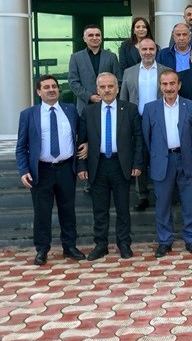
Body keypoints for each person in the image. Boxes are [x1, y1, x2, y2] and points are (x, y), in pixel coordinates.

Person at [16, 75, 87, 265]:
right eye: (46, 87)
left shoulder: (70, 110)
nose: (51, 89)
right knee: (42, 212)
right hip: (41, 171)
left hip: (66, 169)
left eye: (54, 86)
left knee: (68, 210)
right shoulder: (28, 114)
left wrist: (86, 144)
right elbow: (21, 146)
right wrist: (23, 170)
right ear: (39, 92)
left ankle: (69, 246)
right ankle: (42, 249)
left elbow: (81, 135)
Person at [78, 72, 143, 260]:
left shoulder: (129, 109)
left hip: (121, 165)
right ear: (97, 90)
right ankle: (101, 245)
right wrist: (81, 166)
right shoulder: (89, 112)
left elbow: (138, 139)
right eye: (103, 87)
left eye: (110, 86)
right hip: (97, 165)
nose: (107, 90)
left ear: (117, 89)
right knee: (100, 209)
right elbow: (81, 141)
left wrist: (137, 163)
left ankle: (124, 243)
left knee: (123, 209)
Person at [142, 70, 192, 257]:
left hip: (186, 159)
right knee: (163, 204)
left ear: (179, 85)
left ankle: (191, 239)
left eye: (172, 83)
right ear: (160, 86)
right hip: (162, 161)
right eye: (165, 84)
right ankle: (165, 241)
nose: (169, 88)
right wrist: (156, 155)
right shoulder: (150, 108)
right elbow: (146, 138)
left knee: (189, 203)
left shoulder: (191, 106)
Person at [119, 38, 165, 211]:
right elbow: (123, 98)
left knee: (160, 156)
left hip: (160, 119)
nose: (147, 52)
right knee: (140, 156)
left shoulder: (166, 71)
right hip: (137, 119)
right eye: (144, 49)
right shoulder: (129, 72)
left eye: (151, 49)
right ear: (139, 51)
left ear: (156, 50)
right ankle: (142, 195)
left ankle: (161, 193)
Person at [68, 25, 122, 115]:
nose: (94, 38)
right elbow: (73, 82)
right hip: (85, 105)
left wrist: (108, 95)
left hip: (109, 105)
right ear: (84, 39)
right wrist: (89, 96)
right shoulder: (76, 57)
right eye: (90, 35)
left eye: (97, 35)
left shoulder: (111, 56)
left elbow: (118, 80)